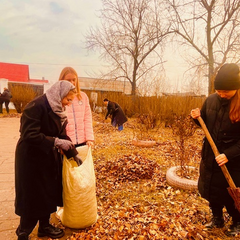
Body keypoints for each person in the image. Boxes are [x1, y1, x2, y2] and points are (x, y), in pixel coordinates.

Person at [15, 81, 82, 240]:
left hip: (47, 157)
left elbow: (63, 135)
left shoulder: (59, 110)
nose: (68, 103)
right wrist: (55, 142)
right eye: (67, 99)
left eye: (70, 100)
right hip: (30, 158)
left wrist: (73, 154)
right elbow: (29, 135)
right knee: (32, 195)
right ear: (60, 94)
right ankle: (23, 232)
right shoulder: (36, 106)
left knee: (47, 192)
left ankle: (44, 227)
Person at [190, 63, 240, 236]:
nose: (221, 93)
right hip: (211, 155)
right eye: (219, 90)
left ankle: (237, 222)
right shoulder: (211, 100)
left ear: (236, 88)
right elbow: (205, 123)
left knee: (232, 194)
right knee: (212, 190)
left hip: (233, 162)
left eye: (226, 90)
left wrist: (229, 154)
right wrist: (197, 117)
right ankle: (217, 218)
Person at [58, 67, 94, 147]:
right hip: (66, 142)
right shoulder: (58, 98)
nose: (72, 83)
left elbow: (87, 118)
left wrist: (89, 138)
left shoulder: (83, 97)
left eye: (74, 80)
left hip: (83, 142)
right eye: (68, 80)